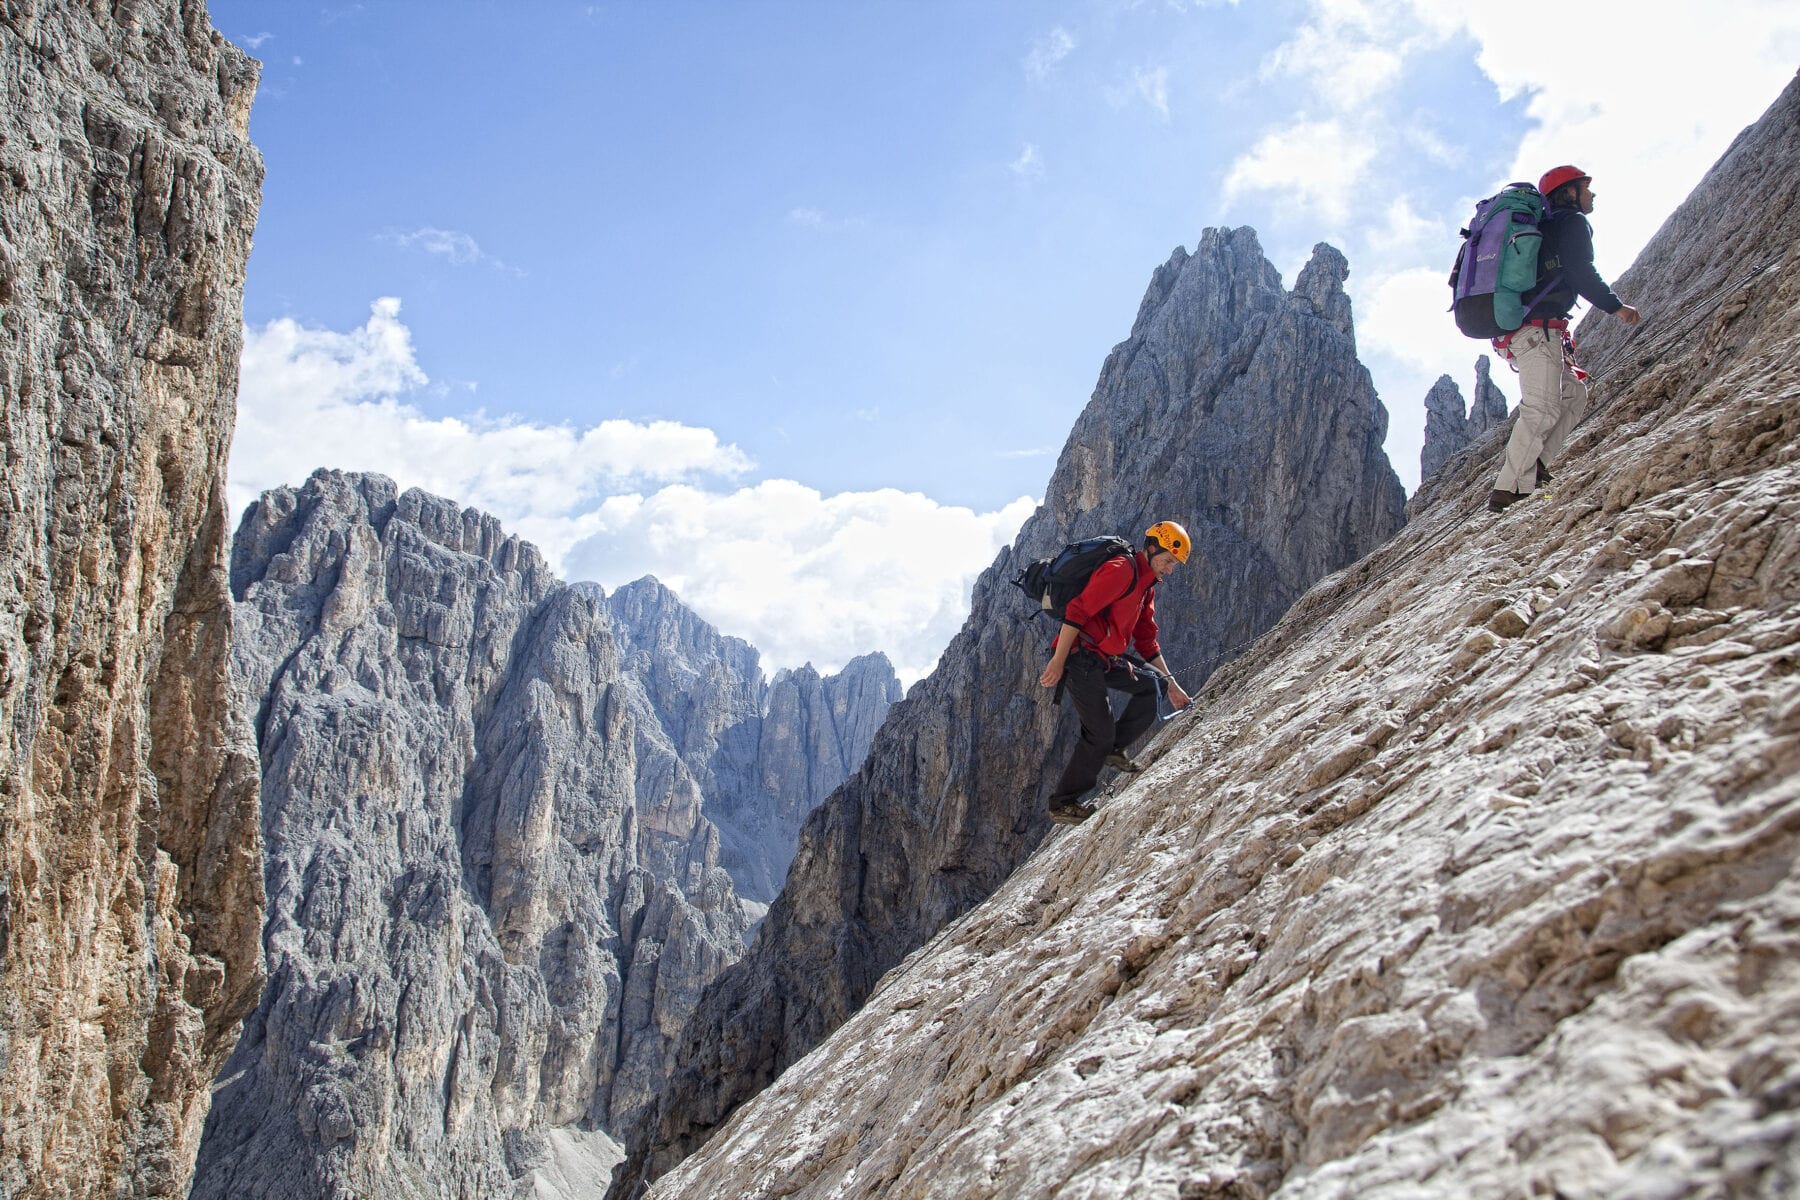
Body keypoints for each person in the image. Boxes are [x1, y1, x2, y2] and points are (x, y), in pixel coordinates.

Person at [1488, 165, 1642, 514]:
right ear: (1569, 192)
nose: (1592, 194)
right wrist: (1617, 308)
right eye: (1586, 188)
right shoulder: (1570, 223)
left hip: (1533, 333)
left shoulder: (1545, 229)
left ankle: (1536, 465)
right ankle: (1509, 489)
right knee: (1541, 406)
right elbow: (1580, 271)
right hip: (1536, 333)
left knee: (1573, 392)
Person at [1038, 521, 1193, 823]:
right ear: (1151, 548)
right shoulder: (1122, 569)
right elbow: (1078, 611)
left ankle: (1114, 748)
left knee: (1153, 685)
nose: (1170, 569)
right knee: (1100, 731)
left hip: (1105, 656)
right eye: (1167, 561)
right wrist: (1058, 660)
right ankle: (1063, 803)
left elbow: (1147, 641)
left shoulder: (1147, 586)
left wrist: (1173, 686)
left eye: (1173, 564)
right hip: (1079, 655)